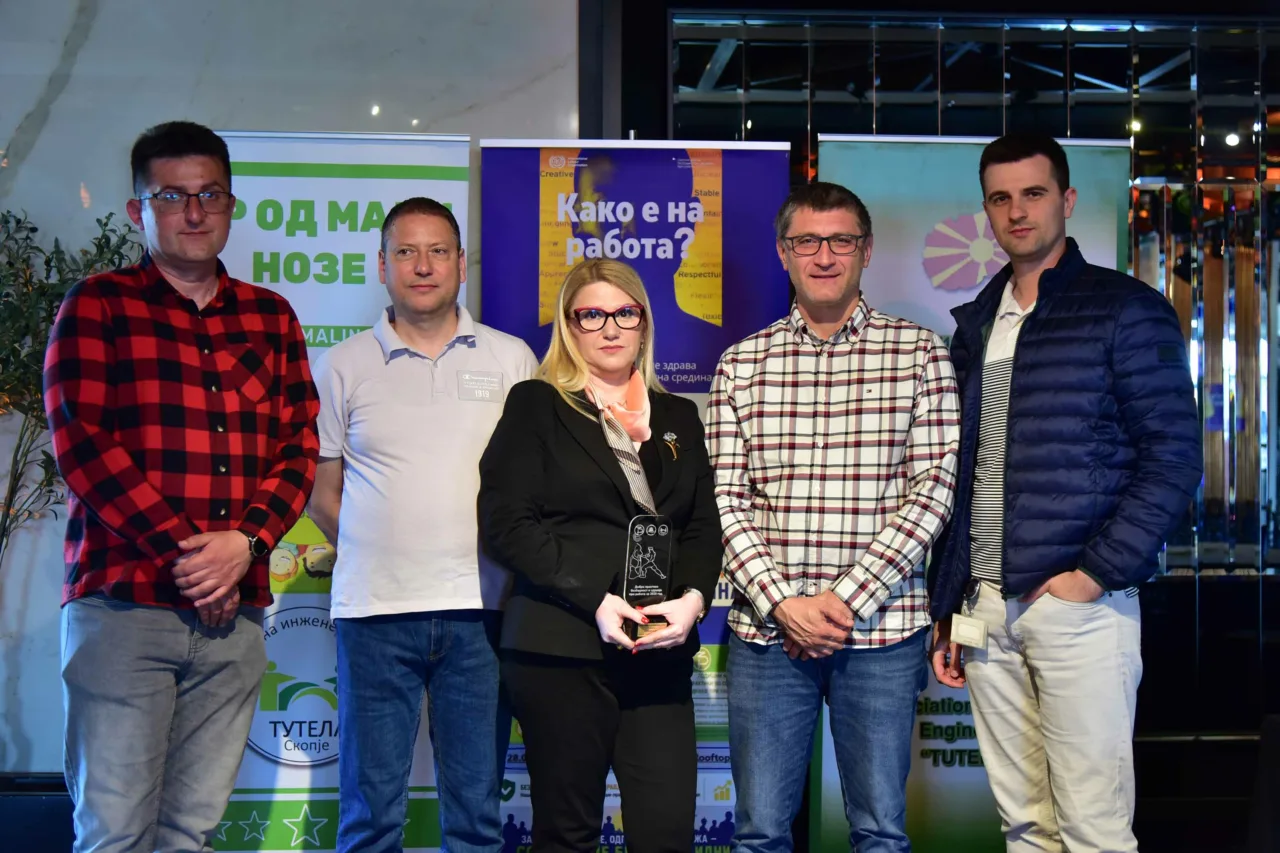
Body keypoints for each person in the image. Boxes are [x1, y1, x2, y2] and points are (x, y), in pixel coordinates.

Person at [44, 120, 320, 853]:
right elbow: (84, 447)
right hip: (124, 607)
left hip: (236, 619)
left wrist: (247, 543)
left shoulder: (272, 318)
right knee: (114, 831)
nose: (194, 213)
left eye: (210, 195)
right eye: (172, 196)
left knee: (191, 832)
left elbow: (298, 446)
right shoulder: (97, 305)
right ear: (139, 210)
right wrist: (197, 559)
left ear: (230, 204)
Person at [928, 133, 1201, 853]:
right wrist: (950, 602)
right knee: (1025, 827)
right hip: (985, 608)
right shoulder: (977, 321)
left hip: (1078, 606)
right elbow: (966, 472)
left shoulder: (1125, 309)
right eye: (1000, 198)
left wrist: (1092, 575)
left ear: (1068, 199)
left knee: (1093, 830)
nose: (1017, 211)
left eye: (1034, 193)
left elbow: (1174, 458)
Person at [707, 181, 961, 852]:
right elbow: (724, 499)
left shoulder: (921, 353)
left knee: (879, 831)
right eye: (807, 242)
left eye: (841, 240)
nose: (824, 256)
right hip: (768, 635)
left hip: (882, 630)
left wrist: (841, 602)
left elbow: (933, 491)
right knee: (759, 833)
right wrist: (784, 604)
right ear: (783, 252)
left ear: (866, 250)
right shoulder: (741, 364)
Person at [307, 197, 537, 853]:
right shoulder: (342, 365)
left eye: (438, 251)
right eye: (406, 252)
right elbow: (322, 493)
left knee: (475, 818)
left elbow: (534, 488)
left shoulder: (511, 359)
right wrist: (377, 548)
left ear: (461, 263)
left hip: (482, 613)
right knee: (370, 818)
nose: (423, 266)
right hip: (374, 615)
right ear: (382, 265)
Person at [478, 258, 723, 852]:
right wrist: (596, 598)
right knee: (567, 835)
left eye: (624, 313)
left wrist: (692, 601)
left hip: (659, 649)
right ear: (569, 326)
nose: (610, 328)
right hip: (561, 651)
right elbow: (507, 524)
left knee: (666, 836)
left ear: (644, 322)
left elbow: (701, 528)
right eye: (591, 315)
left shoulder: (678, 416)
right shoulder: (538, 404)